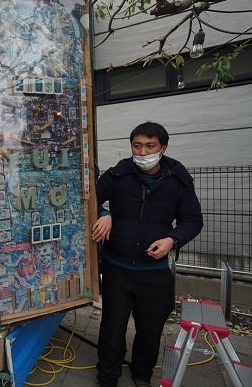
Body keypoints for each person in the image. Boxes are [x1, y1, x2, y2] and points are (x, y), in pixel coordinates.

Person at [91, 122, 203, 387]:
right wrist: (104, 213)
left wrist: (172, 240)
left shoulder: (178, 180)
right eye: (137, 146)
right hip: (117, 267)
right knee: (112, 327)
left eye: (150, 146)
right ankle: (107, 376)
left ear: (162, 147)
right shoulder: (118, 174)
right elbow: (88, 198)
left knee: (150, 330)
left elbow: (193, 219)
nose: (142, 152)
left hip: (154, 271)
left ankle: (142, 374)